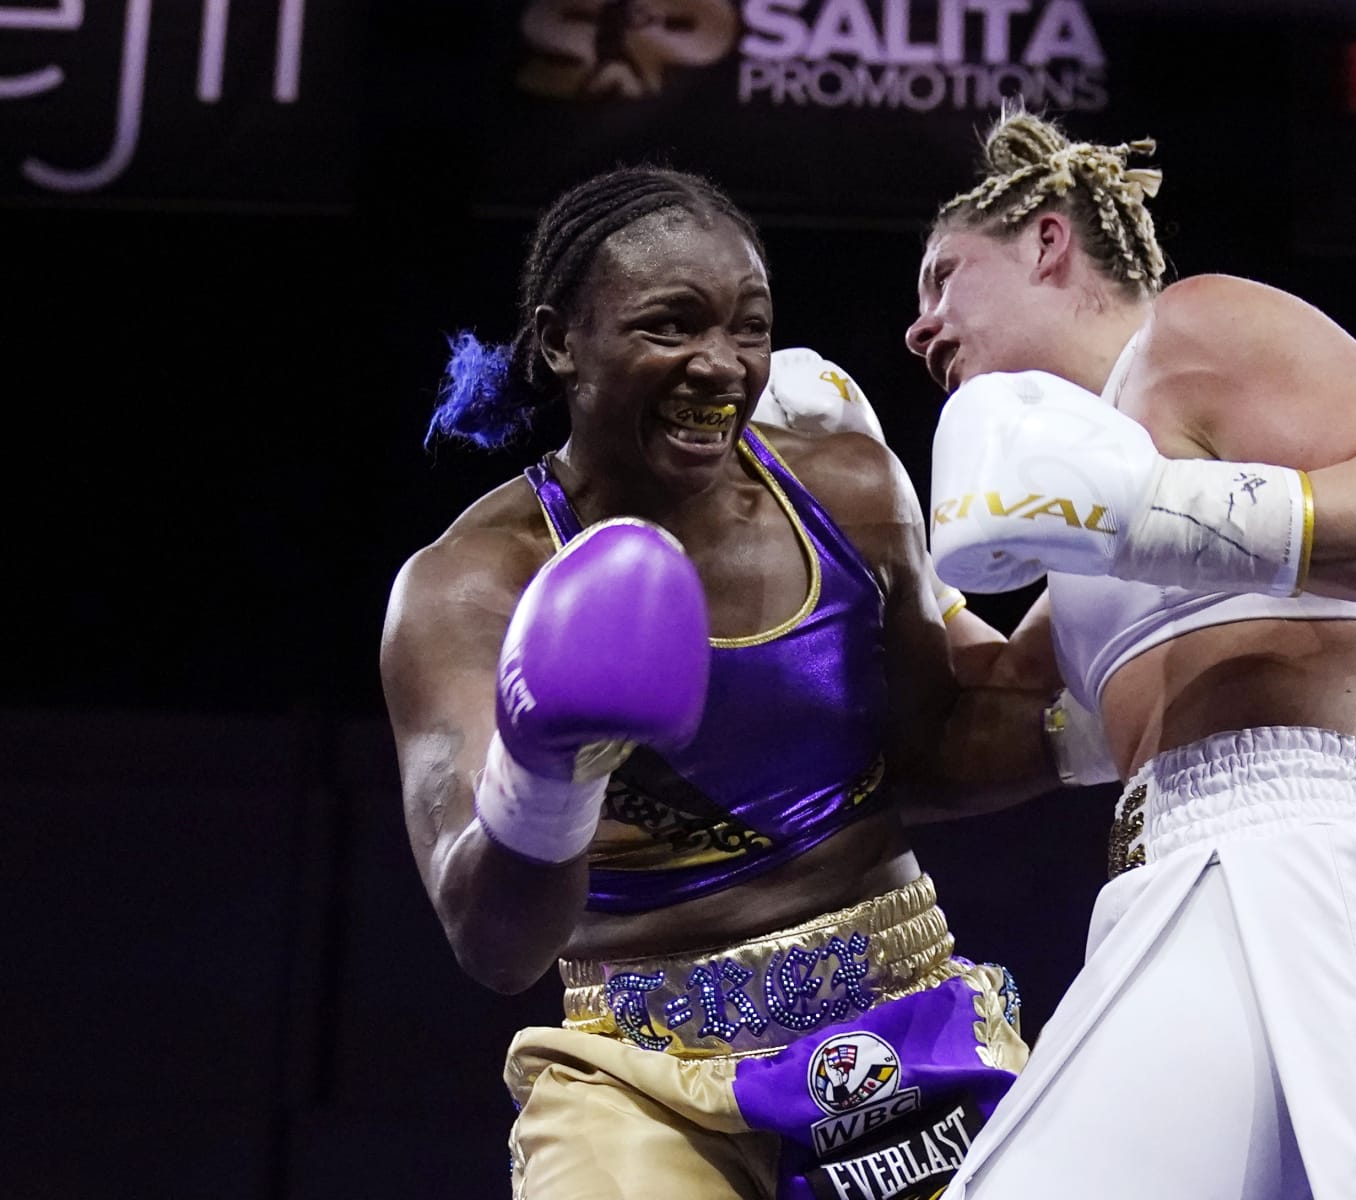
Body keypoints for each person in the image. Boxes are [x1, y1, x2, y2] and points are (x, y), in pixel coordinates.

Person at [904, 109, 1356, 1198]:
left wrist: (1151, 510)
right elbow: (962, 738)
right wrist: (866, 548)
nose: (920, 326)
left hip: (1293, 865)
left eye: (944, 277)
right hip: (1176, 888)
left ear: (1046, 240)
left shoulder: (1190, 333)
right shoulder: (1080, 524)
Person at [379, 166, 1061, 1200]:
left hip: (902, 1018)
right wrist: (552, 765)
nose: (720, 365)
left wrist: (1112, 657)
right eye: (671, 326)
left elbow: (931, 758)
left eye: (749, 326)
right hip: (640, 1076)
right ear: (563, 341)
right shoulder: (470, 587)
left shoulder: (850, 493)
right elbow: (493, 942)